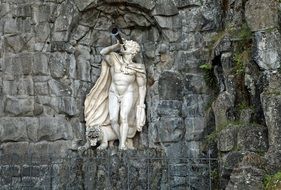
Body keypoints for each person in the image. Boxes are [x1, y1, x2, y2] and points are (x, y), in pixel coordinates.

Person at [84, 39, 146, 150]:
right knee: (113, 119)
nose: (124, 46)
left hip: (128, 93)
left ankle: (122, 145)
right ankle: (123, 140)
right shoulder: (114, 59)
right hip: (113, 92)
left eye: (127, 46)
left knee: (124, 117)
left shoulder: (138, 67)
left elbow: (142, 86)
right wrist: (116, 46)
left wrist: (141, 104)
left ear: (133, 52)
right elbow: (103, 52)